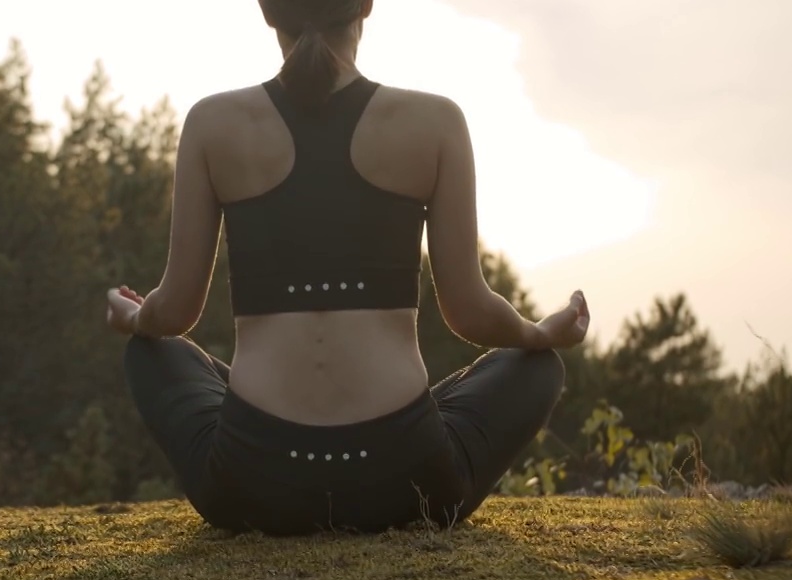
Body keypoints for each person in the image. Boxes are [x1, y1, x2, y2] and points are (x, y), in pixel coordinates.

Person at [105, 0, 590, 536]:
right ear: (365, 7)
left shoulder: (212, 122)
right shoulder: (435, 121)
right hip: (407, 483)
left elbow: (171, 314)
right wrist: (537, 333)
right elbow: (471, 313)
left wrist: (132, 318)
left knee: (153, 352)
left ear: (269, 14)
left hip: (252, 487)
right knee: (537, 366)